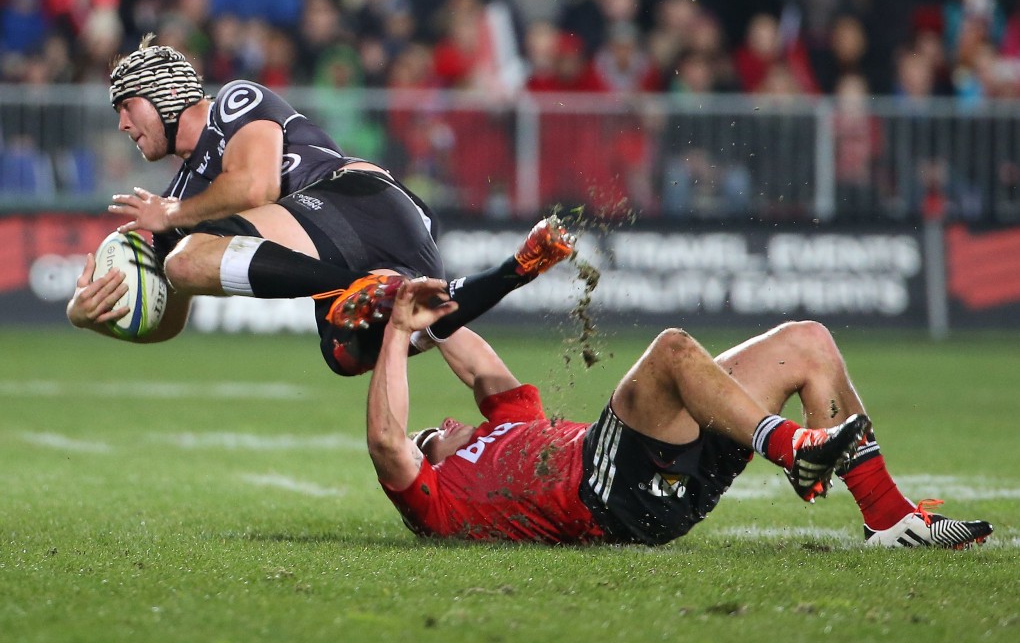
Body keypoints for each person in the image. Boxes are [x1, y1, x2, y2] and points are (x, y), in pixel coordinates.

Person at [66, 35, 575, 375]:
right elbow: (171, 314)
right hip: (381, 240)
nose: (122, 126)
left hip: (361, 202)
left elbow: (253, 189)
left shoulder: (233, 104)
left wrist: (172, 218)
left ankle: (356, 289)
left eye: (126, 107)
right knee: (350, 351)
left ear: (161, 94)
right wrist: (87, 317)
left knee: (183, 256)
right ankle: (515, 269)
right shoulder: (182, 200)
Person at [366, 278, 994, 548]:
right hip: (604, 492)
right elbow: (388, 439)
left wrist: (415, 298)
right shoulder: (441, 502)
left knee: (808, 341)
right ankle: (793, 450)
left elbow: (476, 364)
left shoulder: (509, 423)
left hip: (663, 472)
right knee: (670, 350)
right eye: (432, 437)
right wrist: (394, 334)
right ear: (429, 466)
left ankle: (889, 518)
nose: (444, 425)